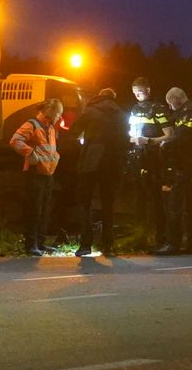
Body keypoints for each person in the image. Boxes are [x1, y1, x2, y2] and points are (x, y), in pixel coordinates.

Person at [155, 86, 192, 255]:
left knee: (175, 203)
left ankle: (173, 244)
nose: (170, 107)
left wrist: (164, 144)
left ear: (176, 99)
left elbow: (181, 137)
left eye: (170, 103)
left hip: (186, 163)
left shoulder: (189, 112)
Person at [71, 86, 127, 256]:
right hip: (112, 163)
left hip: (91, 162)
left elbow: (74, 132)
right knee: (108, 204)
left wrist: (85, 140)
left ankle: (85, 244)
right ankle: (108, 246)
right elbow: (125, 140)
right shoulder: (121, 115)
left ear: (99, 97)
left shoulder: (90, 111)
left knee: (85, 202)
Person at [9, 98, 65, 256]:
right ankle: (31, 244)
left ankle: (40, 243)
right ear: (51, 112)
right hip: (35, 174)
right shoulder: (32, 125)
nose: (60, 117)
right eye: (59, 114)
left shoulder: (50, 128)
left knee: (45, 210)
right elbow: (15, 140)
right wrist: (30, 153)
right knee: (34, 209)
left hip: (48, 173)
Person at [126, 77, 171, 251]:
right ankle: (140, 237)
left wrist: (149, 141)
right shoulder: (135, 109)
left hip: (154, 158)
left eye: (141, 92)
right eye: (135, 93)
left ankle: (161, 237)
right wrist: (133, 140)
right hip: (138, 157)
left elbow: (169, 134)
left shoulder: (158, 108)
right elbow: (132, 130)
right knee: (140, 200)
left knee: (156, 199)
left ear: (148, 90)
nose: (138, 95)